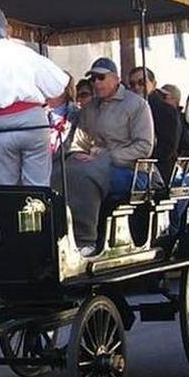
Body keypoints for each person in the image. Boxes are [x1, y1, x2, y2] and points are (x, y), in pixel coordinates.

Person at [0, 8, 71, 186]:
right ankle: (40, 212)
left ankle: (10, 213)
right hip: (34, 123)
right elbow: (57, 84)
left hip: (2, 127)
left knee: (7, 187)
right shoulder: (25, 53)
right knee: (38, 186)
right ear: (7, 29)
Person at [66, 58, 154, 255]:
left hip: (132, 171)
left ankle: (86, 240)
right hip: (94, 165)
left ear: (116, 79)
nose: (96, 83)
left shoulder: (137, 105)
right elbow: (79, 143)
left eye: (101, 77)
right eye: (93, 79)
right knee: (62, 172)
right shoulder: (89, 109)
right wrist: (78, 155)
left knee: (84, 177)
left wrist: (105, 157)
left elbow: (144, 147)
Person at [129, 67, 182, 184]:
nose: (136, 87)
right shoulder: (128, 110)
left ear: (153, 84)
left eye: (141, 83)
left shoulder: (165, 111)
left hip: (157, 171)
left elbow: (167, 148)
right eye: (132, 84)